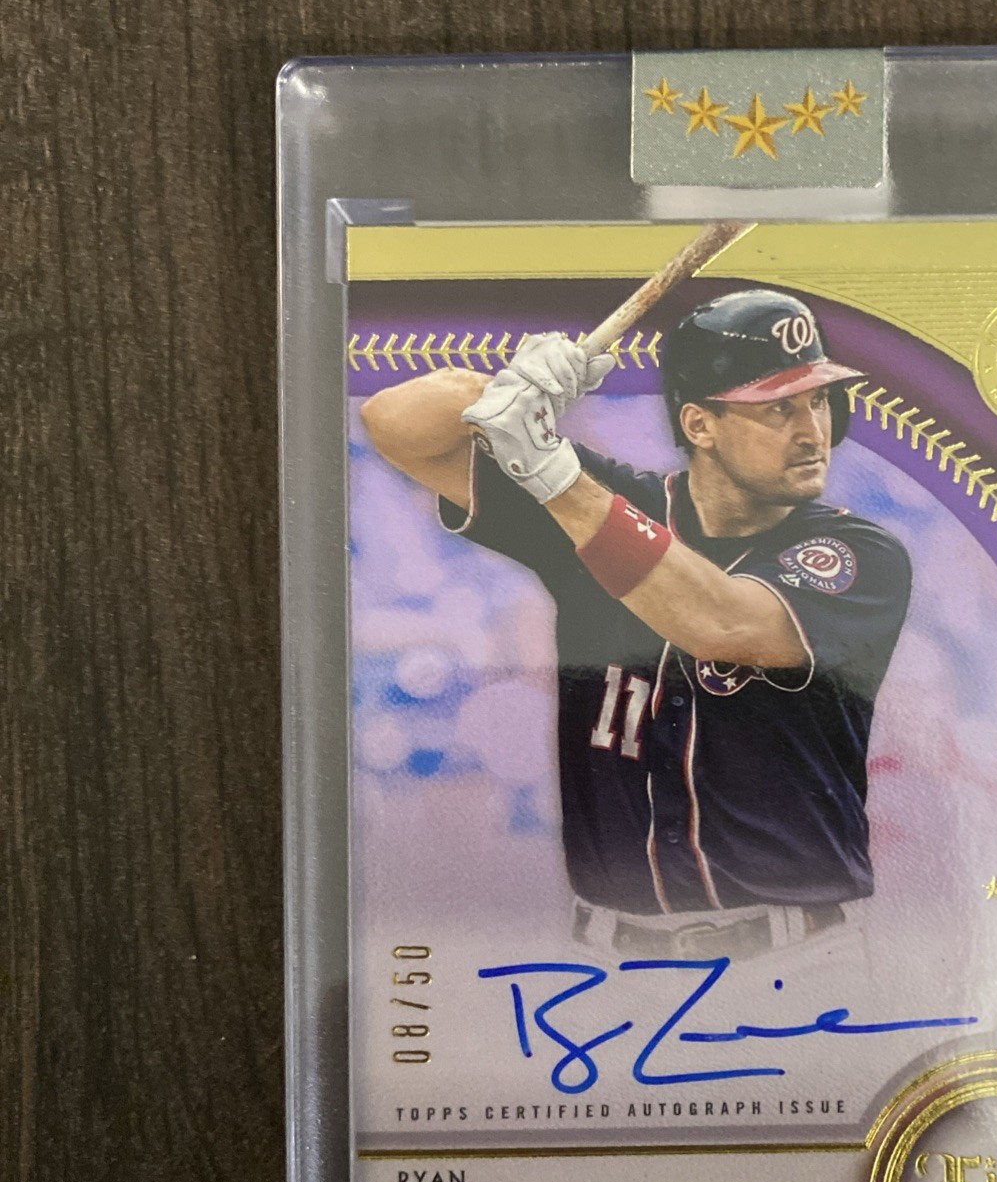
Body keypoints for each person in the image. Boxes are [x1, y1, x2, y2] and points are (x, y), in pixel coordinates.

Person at [360, 289, 912, 962]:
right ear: (700, 425)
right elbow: (392, 423)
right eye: (779, 408)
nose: (812, 431)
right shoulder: (597, 498)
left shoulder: (861, 555)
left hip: (799, 959)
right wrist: (503, 390)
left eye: (818, 401)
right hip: (607, 963)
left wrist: (555, 476)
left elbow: (721, 623)